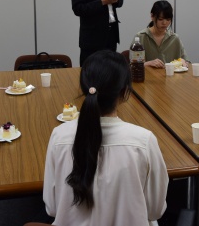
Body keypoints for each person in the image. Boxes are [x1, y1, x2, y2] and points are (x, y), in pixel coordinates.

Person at [43, 50, 168, 225]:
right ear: (125, 91)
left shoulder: (59, 136)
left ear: (84, 88)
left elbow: (52, 208)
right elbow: (155, 210)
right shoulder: (143, 141)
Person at [134, 0, 189, 68]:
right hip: (148, 75)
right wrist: (147, 64)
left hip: (170, 75)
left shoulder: (174, 38)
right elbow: (132, 66)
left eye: (168, 19)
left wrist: (184, 62)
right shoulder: (141, 37)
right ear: (152, 16)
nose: (164, 23)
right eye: (160, 19)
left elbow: (186, 62)